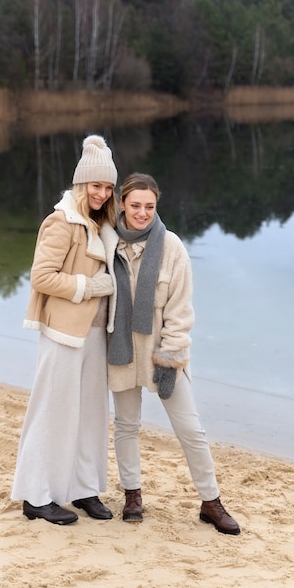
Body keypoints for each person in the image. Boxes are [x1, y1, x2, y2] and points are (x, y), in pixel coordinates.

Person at [107, 173, 241, 535]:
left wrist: (168, 357)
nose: (142, 213)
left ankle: (210, 502)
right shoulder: (107, 242)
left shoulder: (172, 247)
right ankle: (132, 495)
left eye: (149, 206)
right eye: (135, 205)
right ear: (122, 203)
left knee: (190, 429)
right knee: (126, 426)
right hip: (121, 350)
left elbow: (181, 311)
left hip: (162, 352)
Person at [11, 134, 119, 525]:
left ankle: (83, 489)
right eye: (96, 185)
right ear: (81, 184)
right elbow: (42, 277)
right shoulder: (61, 222)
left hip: (95, 335)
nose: (103, 193)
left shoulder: (103, 224)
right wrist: (88, 287)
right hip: (63, 333)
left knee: (90, 415)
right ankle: (35, 497)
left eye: (108, 187)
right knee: (51, 412)